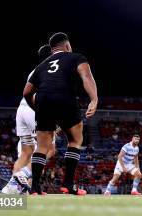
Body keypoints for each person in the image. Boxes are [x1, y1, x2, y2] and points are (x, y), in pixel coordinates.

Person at [23, 32, 98, 195]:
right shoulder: (76, 57)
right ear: (67, 45)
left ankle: (35, 187)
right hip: (64, 96)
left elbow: (26, 92)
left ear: (52, 49)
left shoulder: (41, 65)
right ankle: (68, 184)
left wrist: (38, 108)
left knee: (42, 145)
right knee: (75, 139)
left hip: (43, 99)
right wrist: (94, 99)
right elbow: (86, 76)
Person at [2, 45, 56, 194]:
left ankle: (12, 189)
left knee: (27, 152)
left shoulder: (36, 70)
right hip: (35, 110)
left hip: (22, 109)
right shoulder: (52, 70)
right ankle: (21, 176)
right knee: (49, 149)